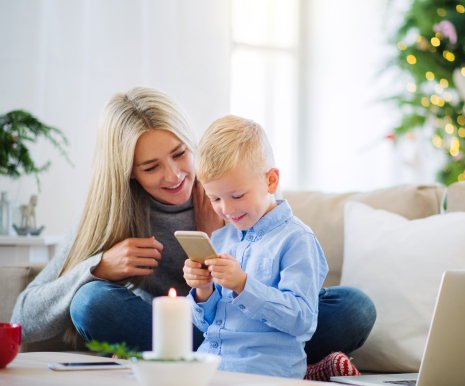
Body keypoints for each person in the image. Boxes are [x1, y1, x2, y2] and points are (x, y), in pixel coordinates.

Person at [10, 87, 376, 372]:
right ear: (129, 173)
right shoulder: (112, 214)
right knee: (91, 303)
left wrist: (226, 235)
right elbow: (22, 318)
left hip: (257, 328)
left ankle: (282, 366)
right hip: (182, 332)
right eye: (151, 167)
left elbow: (296, 294)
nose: (174, 175)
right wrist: (98, 267)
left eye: (181, 153)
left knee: (354, 307)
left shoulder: (235, 195)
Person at [184, 115, 331, 378]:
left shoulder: (296, 240)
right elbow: (206, 325)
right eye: (215, 198)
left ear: (271, 181)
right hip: (207, 369)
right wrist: (203, 290)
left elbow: (302, 320)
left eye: (237, 195)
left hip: (260, 373)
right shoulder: (220, 239)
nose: (226, 209)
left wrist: (243, 284)